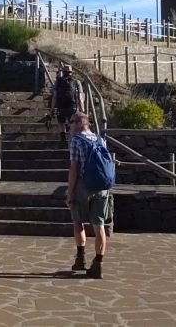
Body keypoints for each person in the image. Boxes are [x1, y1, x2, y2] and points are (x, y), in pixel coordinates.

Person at [66, 111, 110, 279]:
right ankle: (98, 264)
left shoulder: (76, 140)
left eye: (71, 122)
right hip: (102, 186)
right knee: (99, 225)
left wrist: (70, 192)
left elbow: (74, 168)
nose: (69, 126)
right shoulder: (100, 139)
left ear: (78, 123)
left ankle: (80, 258)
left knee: (78, 221)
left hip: (84, 185)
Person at [50, 65, 84, 145]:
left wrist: (52, 109)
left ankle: (63, 139)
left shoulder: (58, 81)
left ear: (63, 72)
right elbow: (80, 97)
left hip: (61, 107)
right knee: (72, 123)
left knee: (61, 123)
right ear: (71, 72)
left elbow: (54, 96)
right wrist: (82, 110)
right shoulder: (76, 82)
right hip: (73, 107)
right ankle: (72, 142)